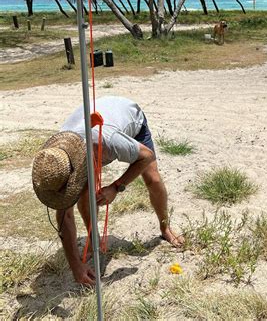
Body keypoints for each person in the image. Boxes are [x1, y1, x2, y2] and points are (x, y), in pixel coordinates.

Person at [32, 96, 183, 285]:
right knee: (86, 190)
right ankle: (93, 237)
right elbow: (64, 216)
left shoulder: (110, 141)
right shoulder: (55, 158)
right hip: (92, 138)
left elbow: (146, 156)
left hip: (131, 120)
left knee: (152, 179)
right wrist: (76, 266)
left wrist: (116, 187)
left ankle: (165, 227)